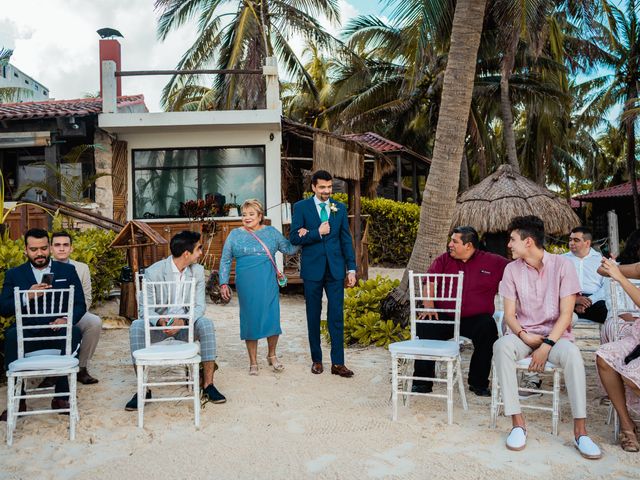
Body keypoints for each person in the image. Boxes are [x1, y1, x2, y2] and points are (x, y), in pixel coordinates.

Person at [493, 216, 601, 459]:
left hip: (556, 335)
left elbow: (566, 315)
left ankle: (581, 432)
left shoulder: (563, 266)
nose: (509, 245)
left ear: (528, 241)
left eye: (512, 239)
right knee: (501, 347)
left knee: (573, 354)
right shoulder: (511, 270)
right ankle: (518, 424)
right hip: (523, 333)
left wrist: (546, 345)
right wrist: (524, 335)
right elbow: (509, 315)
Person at [125, 230, 225, 410]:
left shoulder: (198, 271)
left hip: (186, 325)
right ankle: (143, 389)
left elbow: (200, 306)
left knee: (206, 324)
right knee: (136, 326)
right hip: (158, 328)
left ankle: (208, 385)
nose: (201, 253)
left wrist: (184, 321)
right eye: (199, 249)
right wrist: (160, 321)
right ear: (187, 253)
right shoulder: (154, 272)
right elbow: (144, 309)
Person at [412, 226, 509, 396]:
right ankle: (422, 381)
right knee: (425, 322)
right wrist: (429, 305)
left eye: (454, 241)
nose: (450, 244)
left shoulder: (494, 262)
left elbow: (517, 271)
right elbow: (430, 282)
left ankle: (478, 382)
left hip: (476, 319)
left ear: (468, 245)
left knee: (488, 328)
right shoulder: (443, 260)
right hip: (444, 315)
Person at [0, 228, 85, 420]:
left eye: (44, 248)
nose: (39, 253)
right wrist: (27, 296)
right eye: (34, 249)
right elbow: (3, 307)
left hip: (57, 332)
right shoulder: (15, 274)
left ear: (49, 248)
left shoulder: (67, 271)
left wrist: (65, 319)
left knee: (75, 332)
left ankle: (61, 396)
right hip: (27, 334)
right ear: (26, 250)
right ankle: (18, 401)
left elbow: (80, 304)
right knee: (11, 335)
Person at [219, 199, 299, 375]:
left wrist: (302, 236)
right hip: (246, 282)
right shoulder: (234, 235)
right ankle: (253, 362)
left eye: (251, 214)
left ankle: (272, 355)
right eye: (244, 214)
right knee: (250, 318)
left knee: (272, 316)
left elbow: (289, 249)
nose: (247, 218)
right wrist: (223, 282)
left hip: (267, 280)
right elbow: (225, 259)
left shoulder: (271, 232)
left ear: (260, 216)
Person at [289, 170, 357, 377]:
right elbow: (294, 237)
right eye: (322, 188)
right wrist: (316, 233)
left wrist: (351, 269)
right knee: (313, 315)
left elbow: (346, 239)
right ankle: (317, 360)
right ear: (313, 188)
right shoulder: (301, 207)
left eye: (329, 187)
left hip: (336, 270)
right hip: (312, 270)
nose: (327, 191)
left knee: (336, 316)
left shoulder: (340, 208)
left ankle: (338, 363)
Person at [596, 258, 640, 452]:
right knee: (605, 356)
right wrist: (610, 267)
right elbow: (602, 270)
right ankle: (627, 425)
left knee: (632, 377)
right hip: (637, 336)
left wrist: (620, 277)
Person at [51, 231, 102, 384]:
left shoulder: (82, 268)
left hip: (74, 313)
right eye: (57, 245)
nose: (61, 249)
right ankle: (52, 372)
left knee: (94, 322)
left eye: (65, 245)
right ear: (51, 248)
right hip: (48, 315)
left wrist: (68, 318)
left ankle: (81, 367)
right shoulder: (43, 267)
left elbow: (87, 298)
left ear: (71, 248)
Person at [600, 229, 640, 344]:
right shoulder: (616, 267)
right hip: (620, 317)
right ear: (635, 246)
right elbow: (615, 306)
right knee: (620, 328)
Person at [563, 227, 607, 323]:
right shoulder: (561, 259)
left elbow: (606, 287)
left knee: (609, 312)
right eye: (570, 239)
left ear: (587, 243)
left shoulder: (600, 260)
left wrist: (588, 301)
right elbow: (555, 285)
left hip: (595, 300)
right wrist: (575, 299)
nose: (571, 243)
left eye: (576, 240)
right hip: (567, 299)